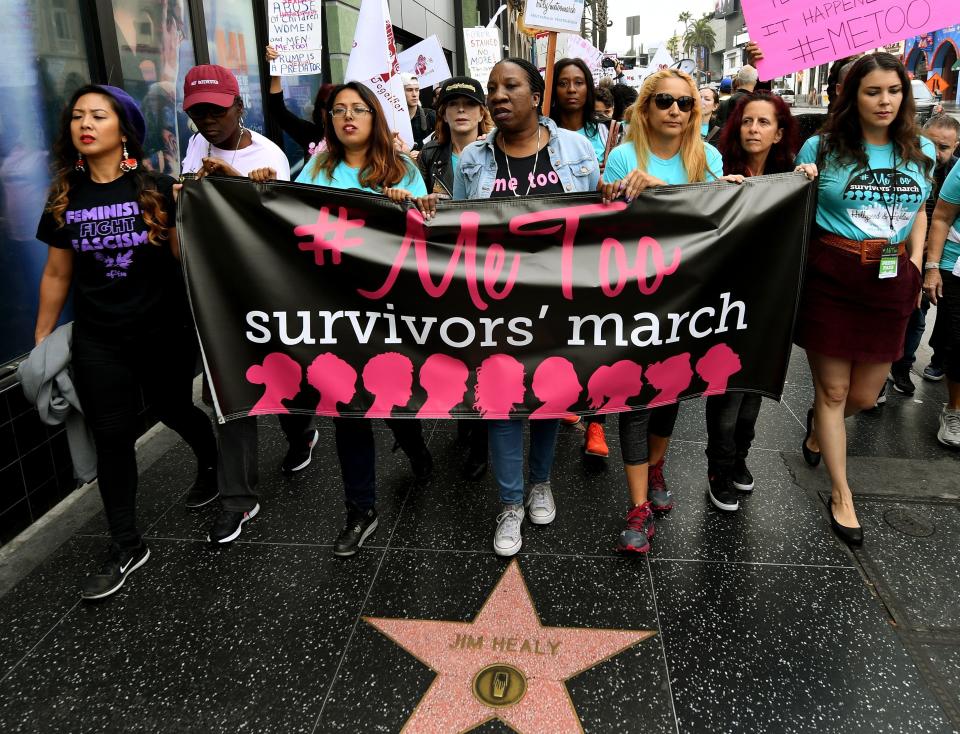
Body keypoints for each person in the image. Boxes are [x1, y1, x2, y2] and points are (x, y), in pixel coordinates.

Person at [34, 84, 217, 599]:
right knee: (111, 437)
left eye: (98, 115)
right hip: (100, 341)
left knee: (174, 409)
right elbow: (56, 273)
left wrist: (186, 213)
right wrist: (42, 340)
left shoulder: (157, 186)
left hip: (163, 332)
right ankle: (126, 542)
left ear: (123, 130)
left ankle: (211, 463)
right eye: (76, 117)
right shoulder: (66, 195)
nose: (85, 124)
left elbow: (187, 261)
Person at [452, 57, 599, 557]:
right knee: (501, 404)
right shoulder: (472, 158)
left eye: (510, 86)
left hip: (559, 303)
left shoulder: (577, 149)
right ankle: (510, 503)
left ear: (536, 96)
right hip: (495, 308)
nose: (497, 95)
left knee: (548, 399)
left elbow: (599, 226)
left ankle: (541, 483)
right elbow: (458, 231)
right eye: (492, 87)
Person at [793, 53, 934, 545]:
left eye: (893, 91)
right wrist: (801, 179)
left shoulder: (921, 152)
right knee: (833, 393)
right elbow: (793, 211)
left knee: (865, 396)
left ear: (904, 96)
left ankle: (816, 432)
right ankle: (841, 493)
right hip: (832, 276)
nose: (884, 101)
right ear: (853, 96)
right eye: (872, 91)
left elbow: (919, 210)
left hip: (891, 278)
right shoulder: (822, 147)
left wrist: (916, 262)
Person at [598, 68, 738, 550]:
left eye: (684, 103)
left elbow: (719, 220)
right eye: (664, 101)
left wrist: (668, 188)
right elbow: (620, 228)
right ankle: (638, 506)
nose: (675, 110)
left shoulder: (709, 156)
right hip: (636, 298)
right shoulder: (621, 158)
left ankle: (657, 464)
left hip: (691, 297)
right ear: (645, 107)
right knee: (634, 399)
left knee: (671, 390)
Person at [180, 64, 318, 545]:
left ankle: (301, 431)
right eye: (198, 111)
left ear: (240, 107)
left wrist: (242, 182)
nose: (208, 120)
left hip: (263, 291)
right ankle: (238, 499)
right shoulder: (195, 146)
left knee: (280, 375)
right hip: (216, 292)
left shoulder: (269, 155)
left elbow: (273, 227)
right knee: (224, 392)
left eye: (217, 110)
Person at [294, 81, 434, 556]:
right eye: (338, 110)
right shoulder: (317, 167)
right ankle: (361, 510)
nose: (348, 117)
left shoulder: (403, 169)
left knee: (391, 397)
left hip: (389, 308)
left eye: (358, 109)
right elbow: (288, 217)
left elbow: (427, 234)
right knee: (347, 407)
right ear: (329, 120)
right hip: (333, 305)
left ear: (375, 117)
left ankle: (414, 447)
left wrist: (408, 206)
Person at [709, 92, 808, 510]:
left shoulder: (792, 176)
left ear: (779, 132)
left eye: (764, 123)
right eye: (748, 121)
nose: (754, 129)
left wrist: (808, 179)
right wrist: (716, 192)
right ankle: (720, 466)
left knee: (756, 388)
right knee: (729, 389)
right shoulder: (721, 167)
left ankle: (741, 458)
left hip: (769, 301)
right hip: (726, 301)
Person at [415, 75, 492, 479]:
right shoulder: (429, 155)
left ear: (482, 112)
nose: (461, 111)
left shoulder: (498, 152)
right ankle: (465, 421)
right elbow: (414, 200)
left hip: (489, 267)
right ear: (442, 112)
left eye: (469, 104)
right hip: (444, 266)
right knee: (455, 352)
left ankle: (481, 440)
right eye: (453, 104)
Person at [903, 114, 959, 385]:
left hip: (939, 252)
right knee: (912, 312)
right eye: (930, 144)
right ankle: (900, 366)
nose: (937, 153)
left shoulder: (954, 171)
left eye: (944, 148)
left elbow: (946, 218)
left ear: (956, 145)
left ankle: (936, 359)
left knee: (935, 311)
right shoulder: (909, 164)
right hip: (906, 249)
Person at [921, 126, 960, 447]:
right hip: (955, 267)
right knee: (957, 341)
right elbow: (941, 216)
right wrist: (931, 267)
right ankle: (955, 410)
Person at [264, 44, 334, 160]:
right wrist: (276, 70)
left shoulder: (361, 138)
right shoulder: (312, 134)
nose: (336, 113)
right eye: (328, 106)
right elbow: (278, 110)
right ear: (320, 111)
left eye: (341, 108)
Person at [549, 58, 609, 164]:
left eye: (579, 82)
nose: (571, 89)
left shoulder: (605, 129)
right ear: (553, 88)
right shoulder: (544, 133)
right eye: (563, 84)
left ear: (588, 87)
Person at [402, 73, 436, 154]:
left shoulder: (430, 115)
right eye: (409, 90)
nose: (414, 94)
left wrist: (422, 154)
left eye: (417, 90)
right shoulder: (394, 119)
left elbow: (442, 142)